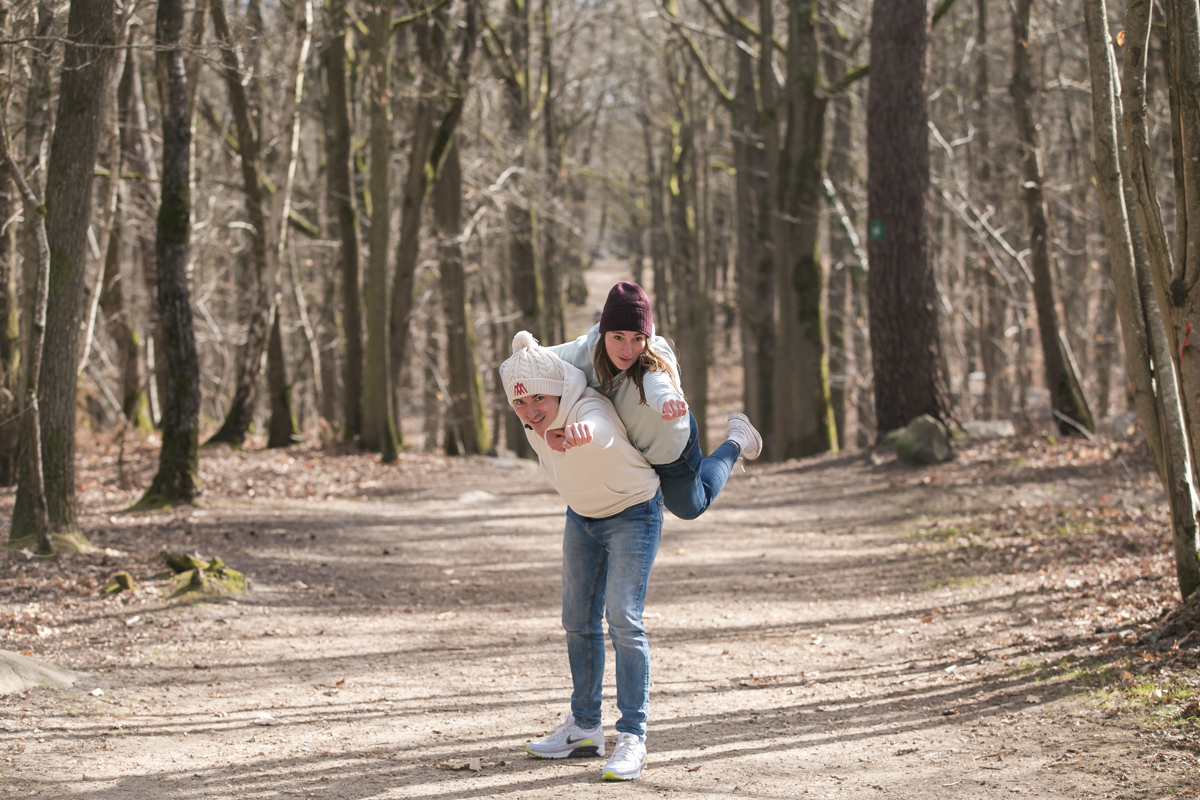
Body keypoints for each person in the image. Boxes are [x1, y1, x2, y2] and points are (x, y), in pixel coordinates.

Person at [500, 331, 661, 782]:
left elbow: (603, 428)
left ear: (557, 389)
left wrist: (582, 434)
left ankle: (632, 737)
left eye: (538, 398)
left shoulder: (587, 405)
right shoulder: (533, 420)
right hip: (583, 517)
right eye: (520, 403)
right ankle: (585, 728)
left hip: (633, 512)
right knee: (577, 620)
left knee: (623, 619)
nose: (531, 410)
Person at [546, 280, 762, 520]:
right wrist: (544, 425)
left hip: (667, 448)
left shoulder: (653, 357)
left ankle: (737, 439)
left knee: (691, 508)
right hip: (627, 449)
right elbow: (530, 360)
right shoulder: (581, 352)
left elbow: (658, 382)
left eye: (637, 338)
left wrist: (667, 399)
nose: (628, 351)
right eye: (618, 337)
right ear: (603, 332)